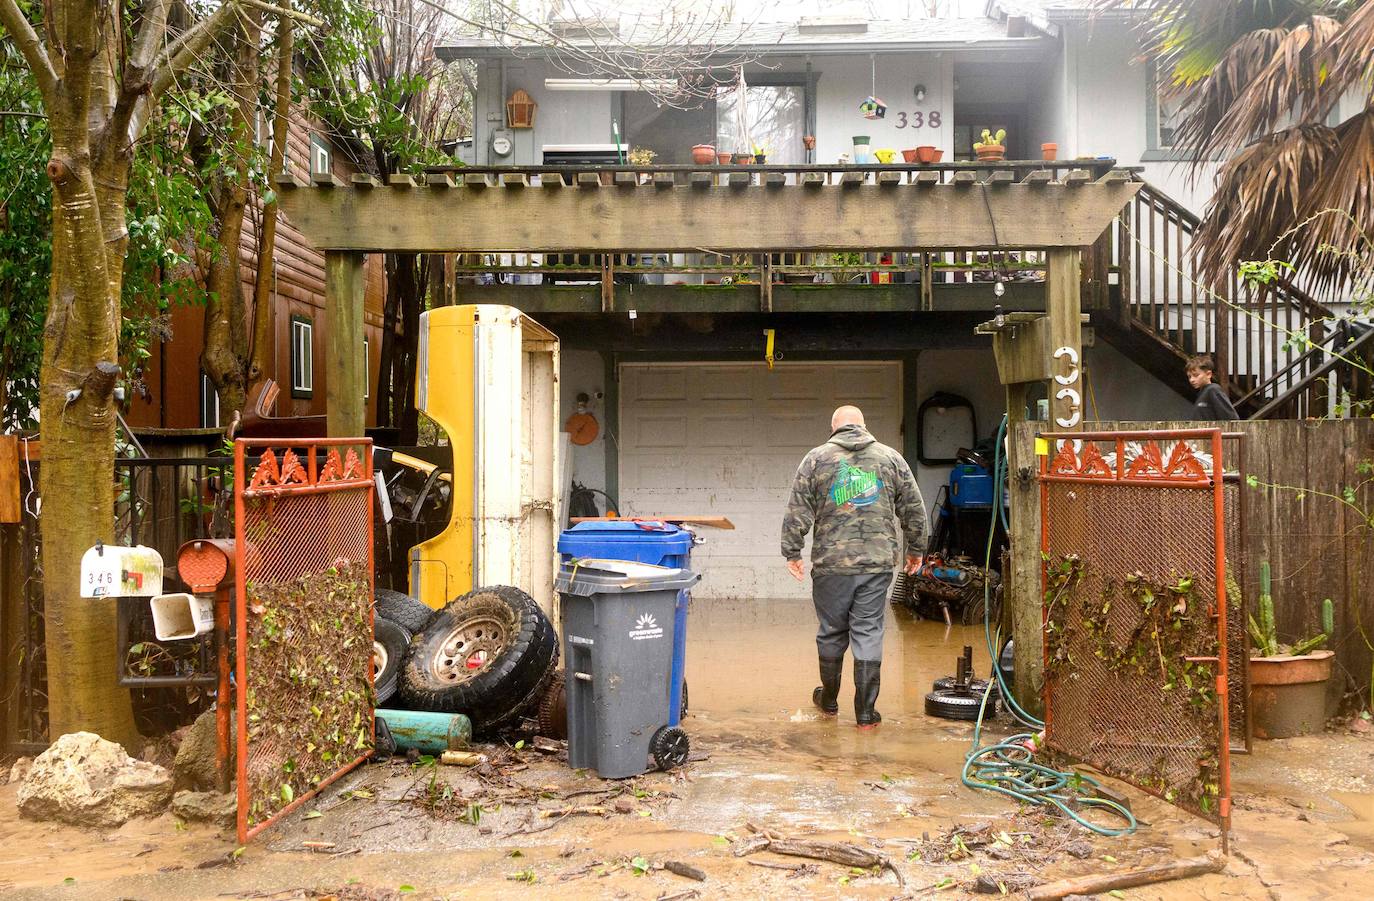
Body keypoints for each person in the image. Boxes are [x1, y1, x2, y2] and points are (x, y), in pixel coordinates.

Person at [781, 406, 927, 729]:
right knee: (868, 631)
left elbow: (797, 509)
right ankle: (865, 712)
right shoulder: (891, 459)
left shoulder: (816, 459)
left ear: (833, 427)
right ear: (863, 425)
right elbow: (914, 509)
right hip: (876, 565)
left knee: (832, 630)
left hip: (831, 565)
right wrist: (916, 549)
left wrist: (792, 551)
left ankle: (830, 699)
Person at [1186, 355, 1240, 421]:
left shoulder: (1213, 390)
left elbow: (1231, 417)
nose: (1192, 380)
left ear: (1208, 374)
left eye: (1196, 375)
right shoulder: (1202, 392)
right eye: (1189, 376)